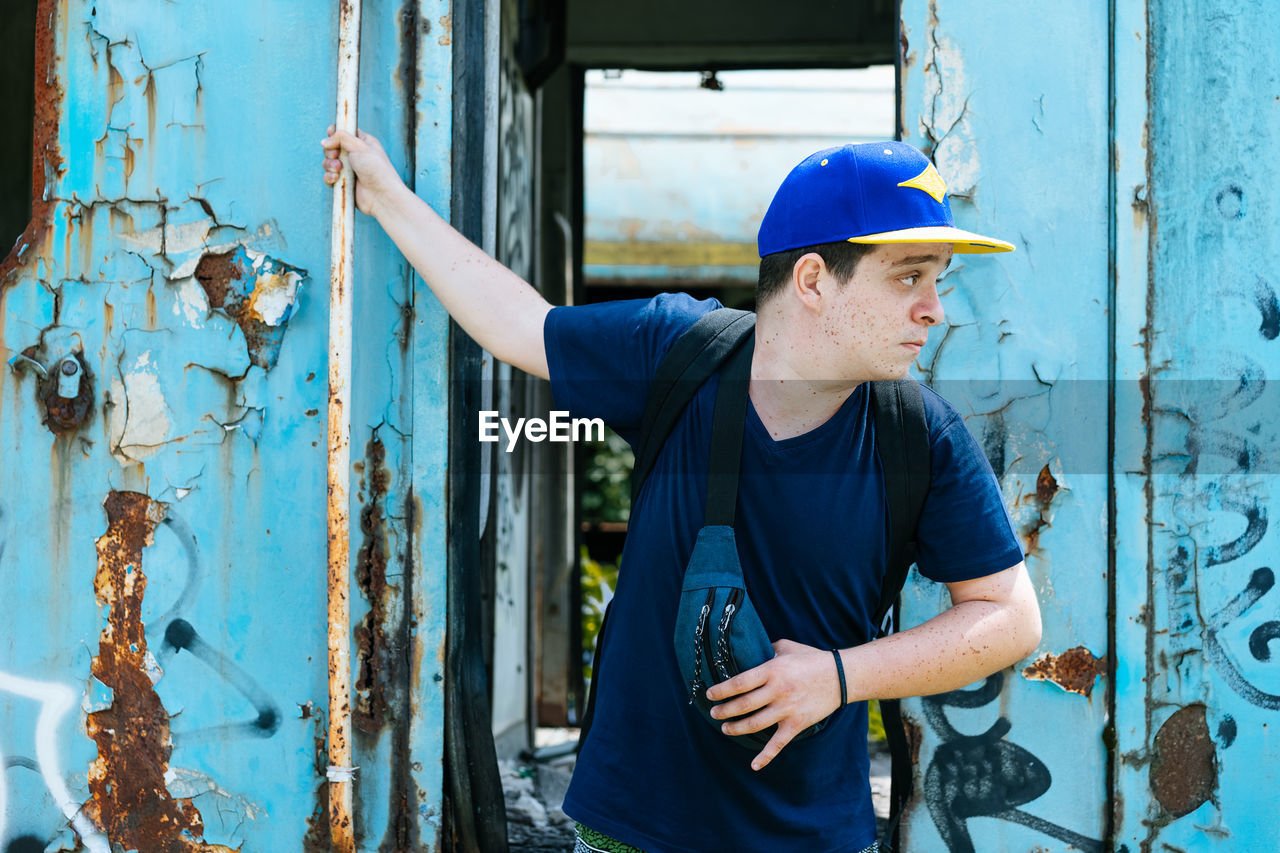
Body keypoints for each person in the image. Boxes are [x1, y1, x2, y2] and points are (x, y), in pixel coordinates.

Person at [321, 130, 1042, 853]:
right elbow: (518, 323)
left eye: (938, 280)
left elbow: (1010, 616)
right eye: (908, 277)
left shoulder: (922, 438)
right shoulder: (678, 351)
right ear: (815, 280)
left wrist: (839, 675)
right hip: (631, 831)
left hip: (815, 838)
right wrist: (384, 194)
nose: (934, 309)